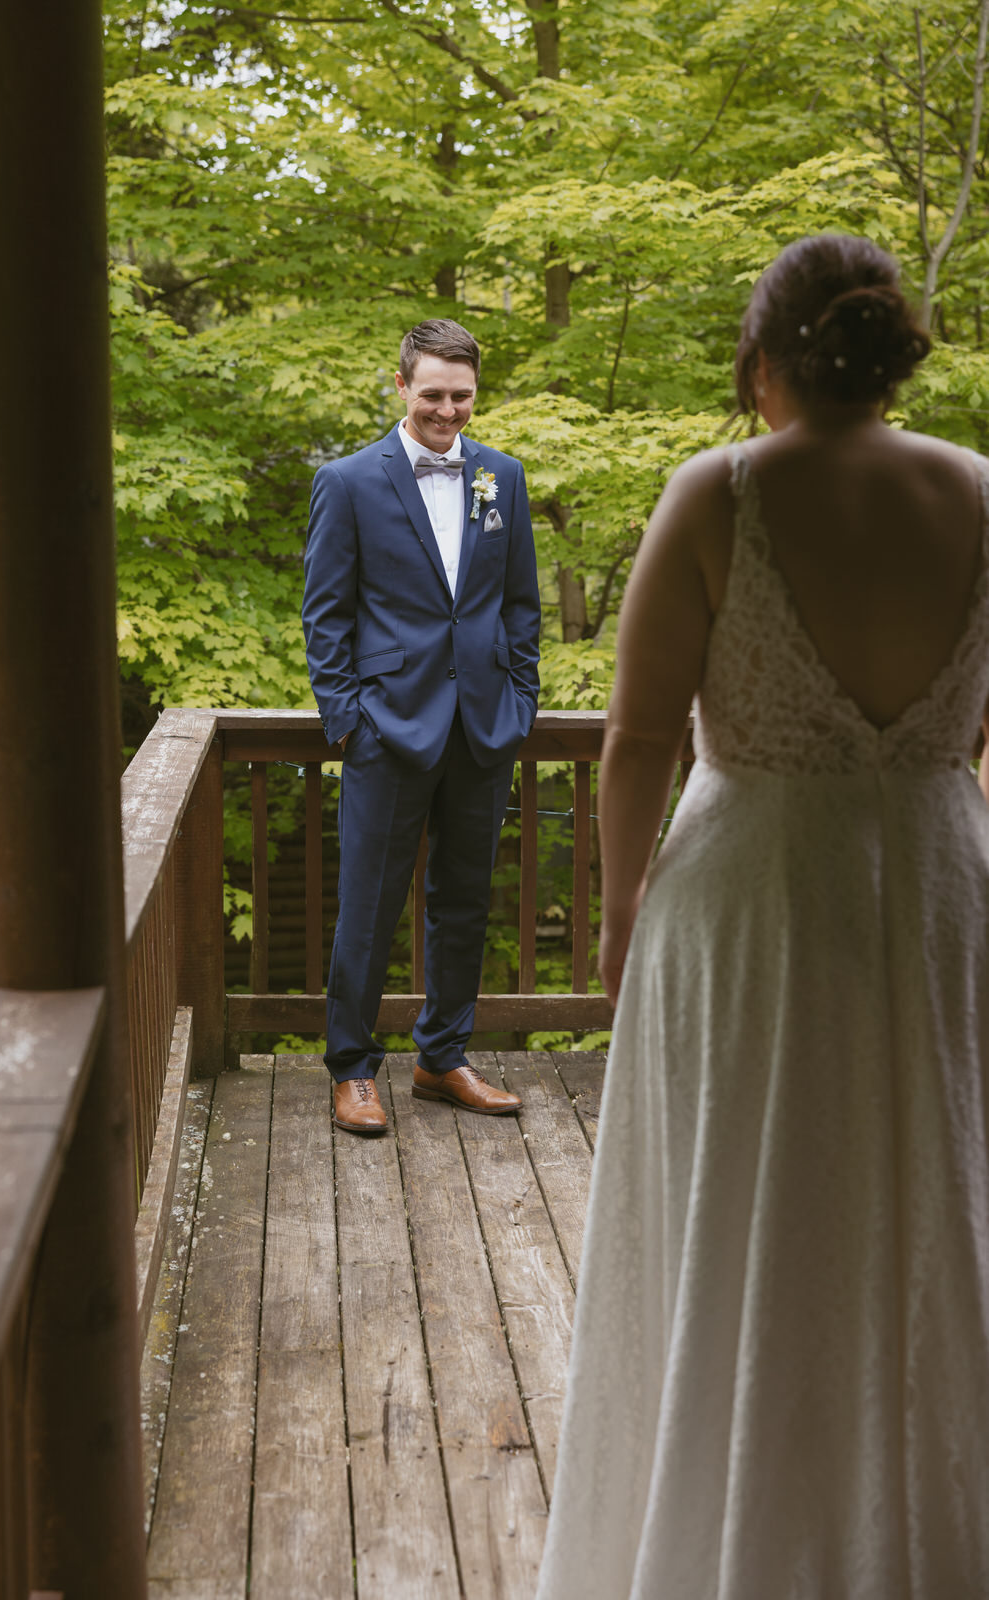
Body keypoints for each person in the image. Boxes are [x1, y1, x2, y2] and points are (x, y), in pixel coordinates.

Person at [536, 234, 989, 1598]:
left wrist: (617, 918)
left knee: (745, 1202)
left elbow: (632, 741)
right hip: (931, 882)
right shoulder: (977, 491)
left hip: (748, 904)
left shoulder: (717, 492)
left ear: (761, 361)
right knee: (928, 1198)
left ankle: (723, 1539)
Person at [302, 319, 540, 1134]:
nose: (448, 411)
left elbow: (519, 604)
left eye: (462, 396)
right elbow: (325, 613)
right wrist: (346, 721)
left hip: (482, 726)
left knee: (464, 899)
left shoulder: (501, 478)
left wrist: (519, 699)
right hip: (385, 729)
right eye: (433, 394)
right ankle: (352, 1068)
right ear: (400, 386)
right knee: (366, 905)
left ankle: (442, 1057)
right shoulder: (347, 481)